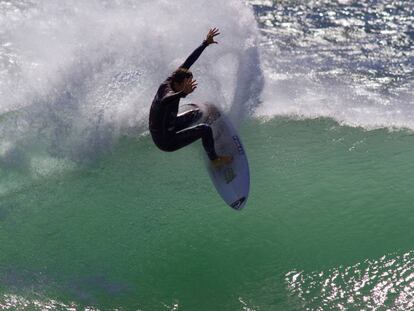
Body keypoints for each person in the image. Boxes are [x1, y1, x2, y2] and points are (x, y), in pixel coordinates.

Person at [149, 28, 233, 168]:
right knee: (204, 129)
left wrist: (205, 43)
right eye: (186, 84)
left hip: (171, 124)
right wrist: (182, 94)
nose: (189, 86)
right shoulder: (167, 93)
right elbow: (165, 101)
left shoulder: (174, 77)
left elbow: (189, 60)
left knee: (201, 112)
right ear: (177, 84)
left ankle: (212, 137)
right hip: (166, 140)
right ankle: (215, 160)